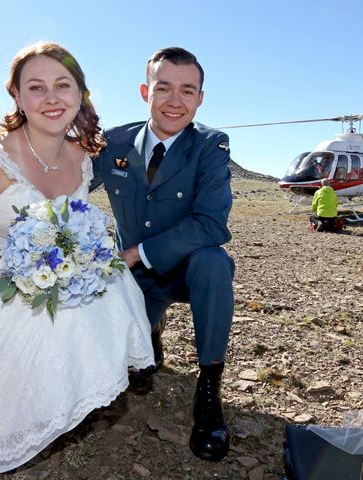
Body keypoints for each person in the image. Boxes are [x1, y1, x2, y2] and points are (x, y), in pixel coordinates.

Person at [0, 42, 154, 475]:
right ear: (18, 97)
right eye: (36, 87)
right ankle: (13, 416)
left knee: (110, 284)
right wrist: (24, 264)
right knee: (32, 316)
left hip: (55, 265)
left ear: (80, 94)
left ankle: (64, 396)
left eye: (63, 85)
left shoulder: (82, 155)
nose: (51, 98)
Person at [91, 47, 235, 461]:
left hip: (183, 272)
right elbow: (68, 190)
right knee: (126, 370)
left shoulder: (210, 145)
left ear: (200, 98)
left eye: (187, 91)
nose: (176, 101)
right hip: (131, 278)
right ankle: (148, 335)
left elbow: (212, 223)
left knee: (214, 261)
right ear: (144, 91)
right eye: (164, 88)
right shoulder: (113, 142)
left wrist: (137, 252)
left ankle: (209, 390)